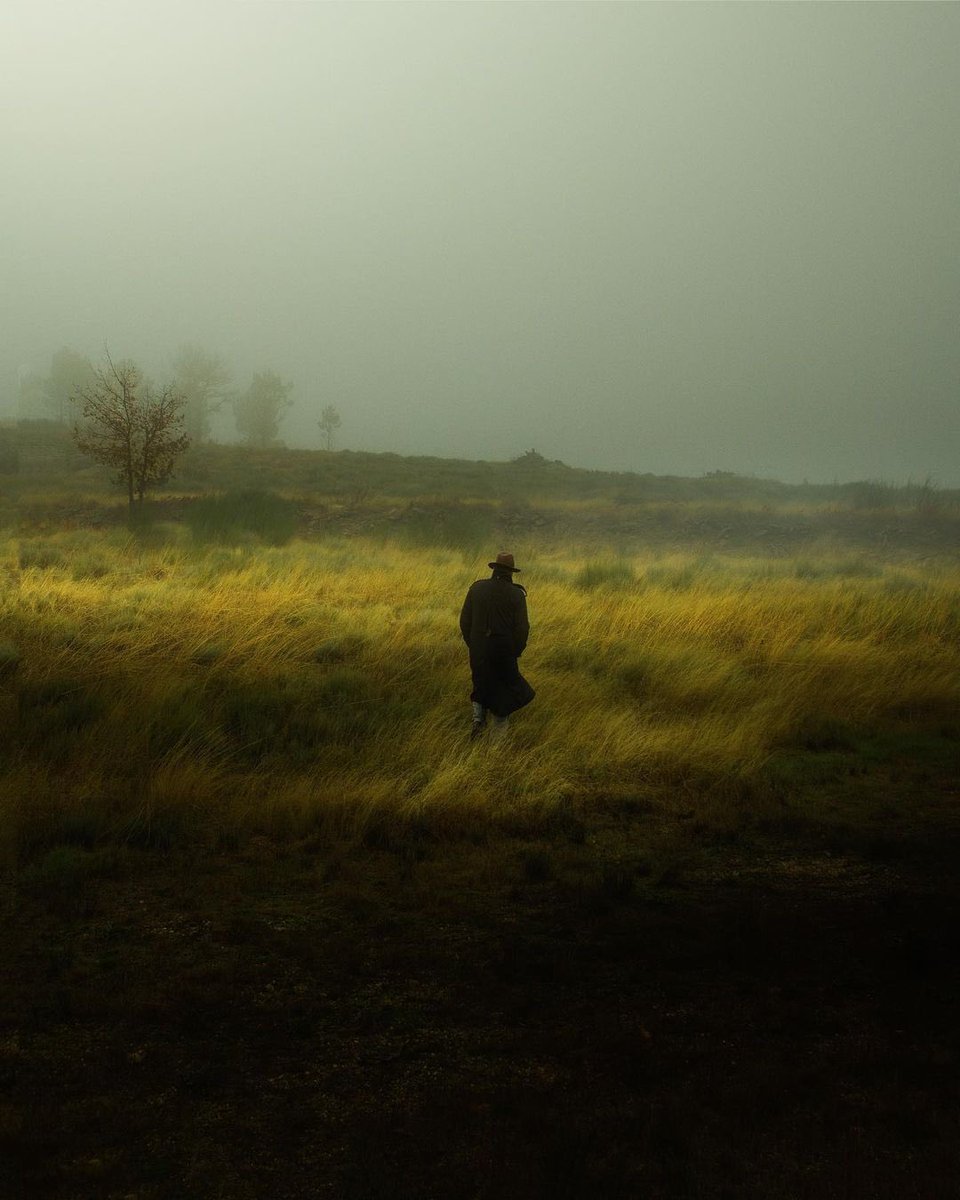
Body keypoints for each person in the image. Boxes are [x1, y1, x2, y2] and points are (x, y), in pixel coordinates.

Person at [459, 551, 535, 740]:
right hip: (504, 653)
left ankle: (478, 721)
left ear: (494, 569)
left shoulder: (476, 589)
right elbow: (522, 629)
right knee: (503, 692)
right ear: (511, 572)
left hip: (478, 651)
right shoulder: (516, 595)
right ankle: (496, 746)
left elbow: (464, 621)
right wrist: (515, 651)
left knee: (480, 683)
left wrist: (474, 645)